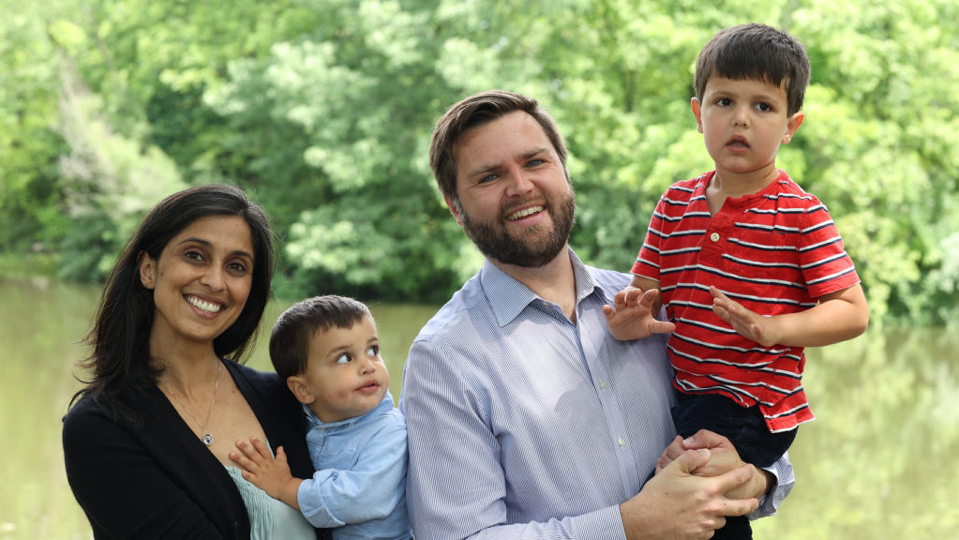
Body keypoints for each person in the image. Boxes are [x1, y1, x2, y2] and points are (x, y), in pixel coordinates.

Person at [399, 89, 796, 540]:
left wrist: (751, 474)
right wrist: (631, 526)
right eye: (489, 177)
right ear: (456, 208)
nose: (521, 187)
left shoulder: (655, 304)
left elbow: (755, 411)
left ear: (565, 173)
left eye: (535, 163)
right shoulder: (444, 359)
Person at [603, 24, 869, 539]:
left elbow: (852, 311)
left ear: (791, 125)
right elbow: (645, 298)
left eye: (763, 107)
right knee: (680, 505)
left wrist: (774, 330)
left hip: (754, 403)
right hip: (683, 394)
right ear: (698, 112)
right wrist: (629, 321)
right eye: (724, 101)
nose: (741, 118)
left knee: (690, 500)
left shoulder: (801, 214)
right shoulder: (675, 203)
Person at [62, 184, 330, 539]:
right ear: (148, 269)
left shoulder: (285, 398)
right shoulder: (101, 427)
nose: (215, 281)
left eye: (236, 266)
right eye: (195, 256)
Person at [228, 295, 413, 540]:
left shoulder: (389, 430)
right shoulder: (298, 419)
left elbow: (357, 499)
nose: (368, 366)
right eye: (345, 357)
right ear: (303, 390)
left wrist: (287, 487)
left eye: (373, 350)